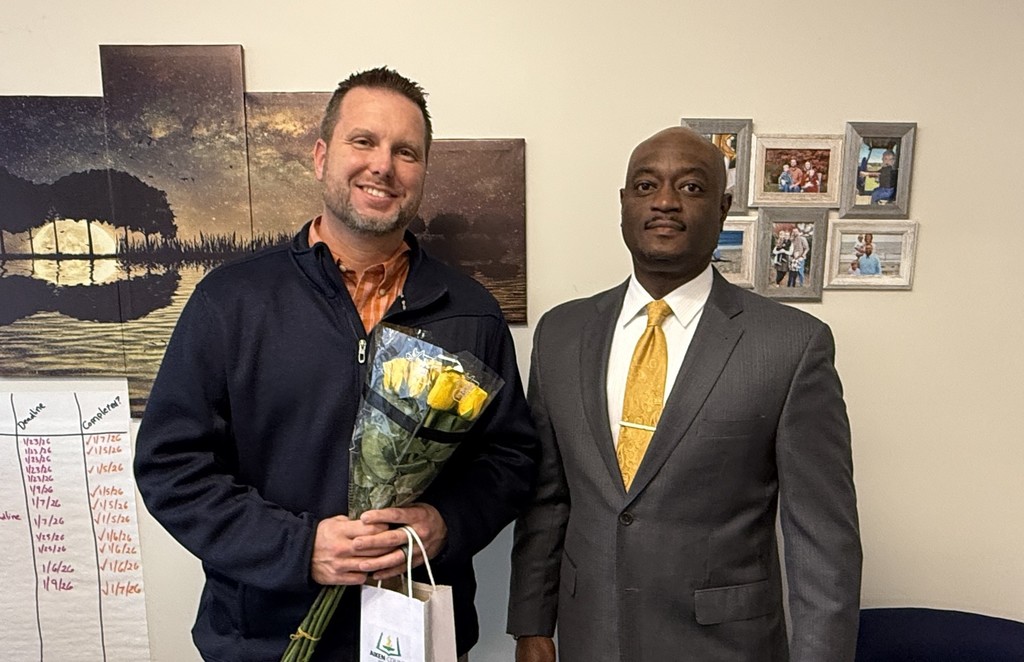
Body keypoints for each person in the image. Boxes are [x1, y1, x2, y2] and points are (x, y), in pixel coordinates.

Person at [133, 67, 538, 662]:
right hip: (264, 640)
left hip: (417, 639)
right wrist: (300, 549)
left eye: (406, 152)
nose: (384, 165)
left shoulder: (471, 310)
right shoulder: (231, 300)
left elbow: (510, 459)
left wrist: (445, 523)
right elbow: (172, 468)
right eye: (363, 141)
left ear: (422, 173)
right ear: (321, 155)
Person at [507, 126, 861, 661]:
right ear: (624, 203)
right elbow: (548, 501)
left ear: (722, 208)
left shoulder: (790, 345)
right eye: (646, 186)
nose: (666, 202)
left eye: (691, 188)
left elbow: (822, 543)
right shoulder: (561, 335)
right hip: (590, 638)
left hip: (724, 646)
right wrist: (532, 626)